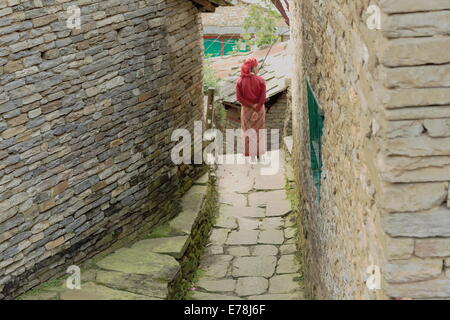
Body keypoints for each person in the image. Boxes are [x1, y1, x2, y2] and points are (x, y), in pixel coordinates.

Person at [236, 57, 267, 161]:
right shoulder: (261, 80)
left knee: (247, 130)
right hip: (259, 110)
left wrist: (251, 106)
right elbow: (263, 98)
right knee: (259, 130)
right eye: (256, 66)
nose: (258, 68)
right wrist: (257, 108)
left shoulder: (239, 81)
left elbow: (239, 98)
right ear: (253, 68)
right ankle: (258, 153)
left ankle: (249, 153)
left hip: (246, 110)